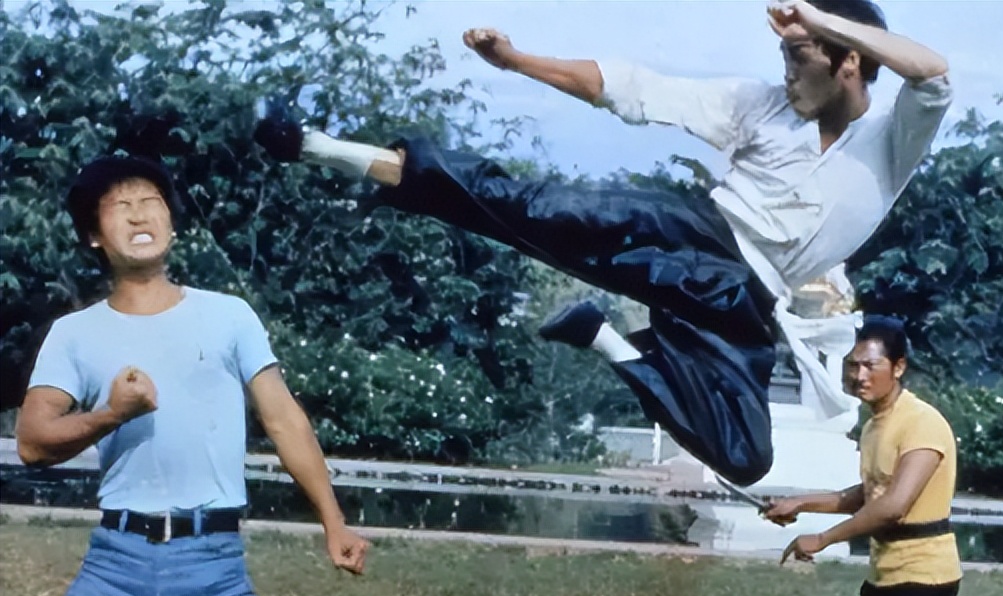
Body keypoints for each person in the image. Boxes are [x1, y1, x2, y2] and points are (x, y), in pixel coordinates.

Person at [252, 0, 952, 485]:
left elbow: (933, 71)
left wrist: (820, 19)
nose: (787, 71)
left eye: (799, 56)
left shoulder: (890, 144)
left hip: (743, 304)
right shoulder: (760, 104)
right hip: (694, 235)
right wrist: (521, 61)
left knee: (744, 454)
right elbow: (633, 89)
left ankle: (606, 340)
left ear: (850, 61)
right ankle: (316, 145)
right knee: (532, 210)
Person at [2, 154, 370, 596]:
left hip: (214, 573)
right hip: (114, 572)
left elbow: (285, 421)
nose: (138, 213)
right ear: (95, 235)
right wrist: (111, 415)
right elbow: (34, 440)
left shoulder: (228, 316)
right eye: (119, 206)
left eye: (150, 201)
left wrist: (333, 522)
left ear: (172, 223)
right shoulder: (74, 333)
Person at [766, 315, 961, 596]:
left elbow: (894, 505)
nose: (859, 376)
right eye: (853, 366)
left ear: (898, 367)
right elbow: (867, 493)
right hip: (885, 575)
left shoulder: (921, 425)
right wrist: (801, 504)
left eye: (870, 366)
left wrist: (824, 539)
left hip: (925, 575)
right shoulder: (876, 424)